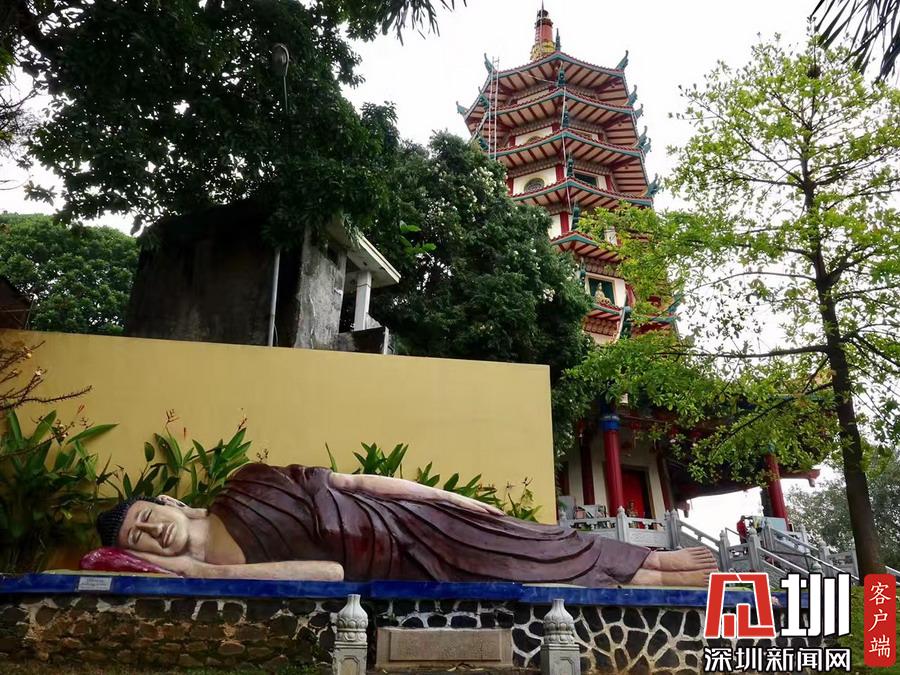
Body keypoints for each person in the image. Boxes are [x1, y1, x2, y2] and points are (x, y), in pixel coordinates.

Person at [94, 463, 718, 587]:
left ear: (170, 501)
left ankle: (650, 560)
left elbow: (356, 484)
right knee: (521, 571)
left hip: (412, 515)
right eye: (138, 541)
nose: (151, 533)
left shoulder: (249, 480)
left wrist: (449, 497)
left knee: (532, 537)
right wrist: (196, 570)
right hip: (400, 560)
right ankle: (662, 581)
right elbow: (329, 572)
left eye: (146, 517)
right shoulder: (220, 566)